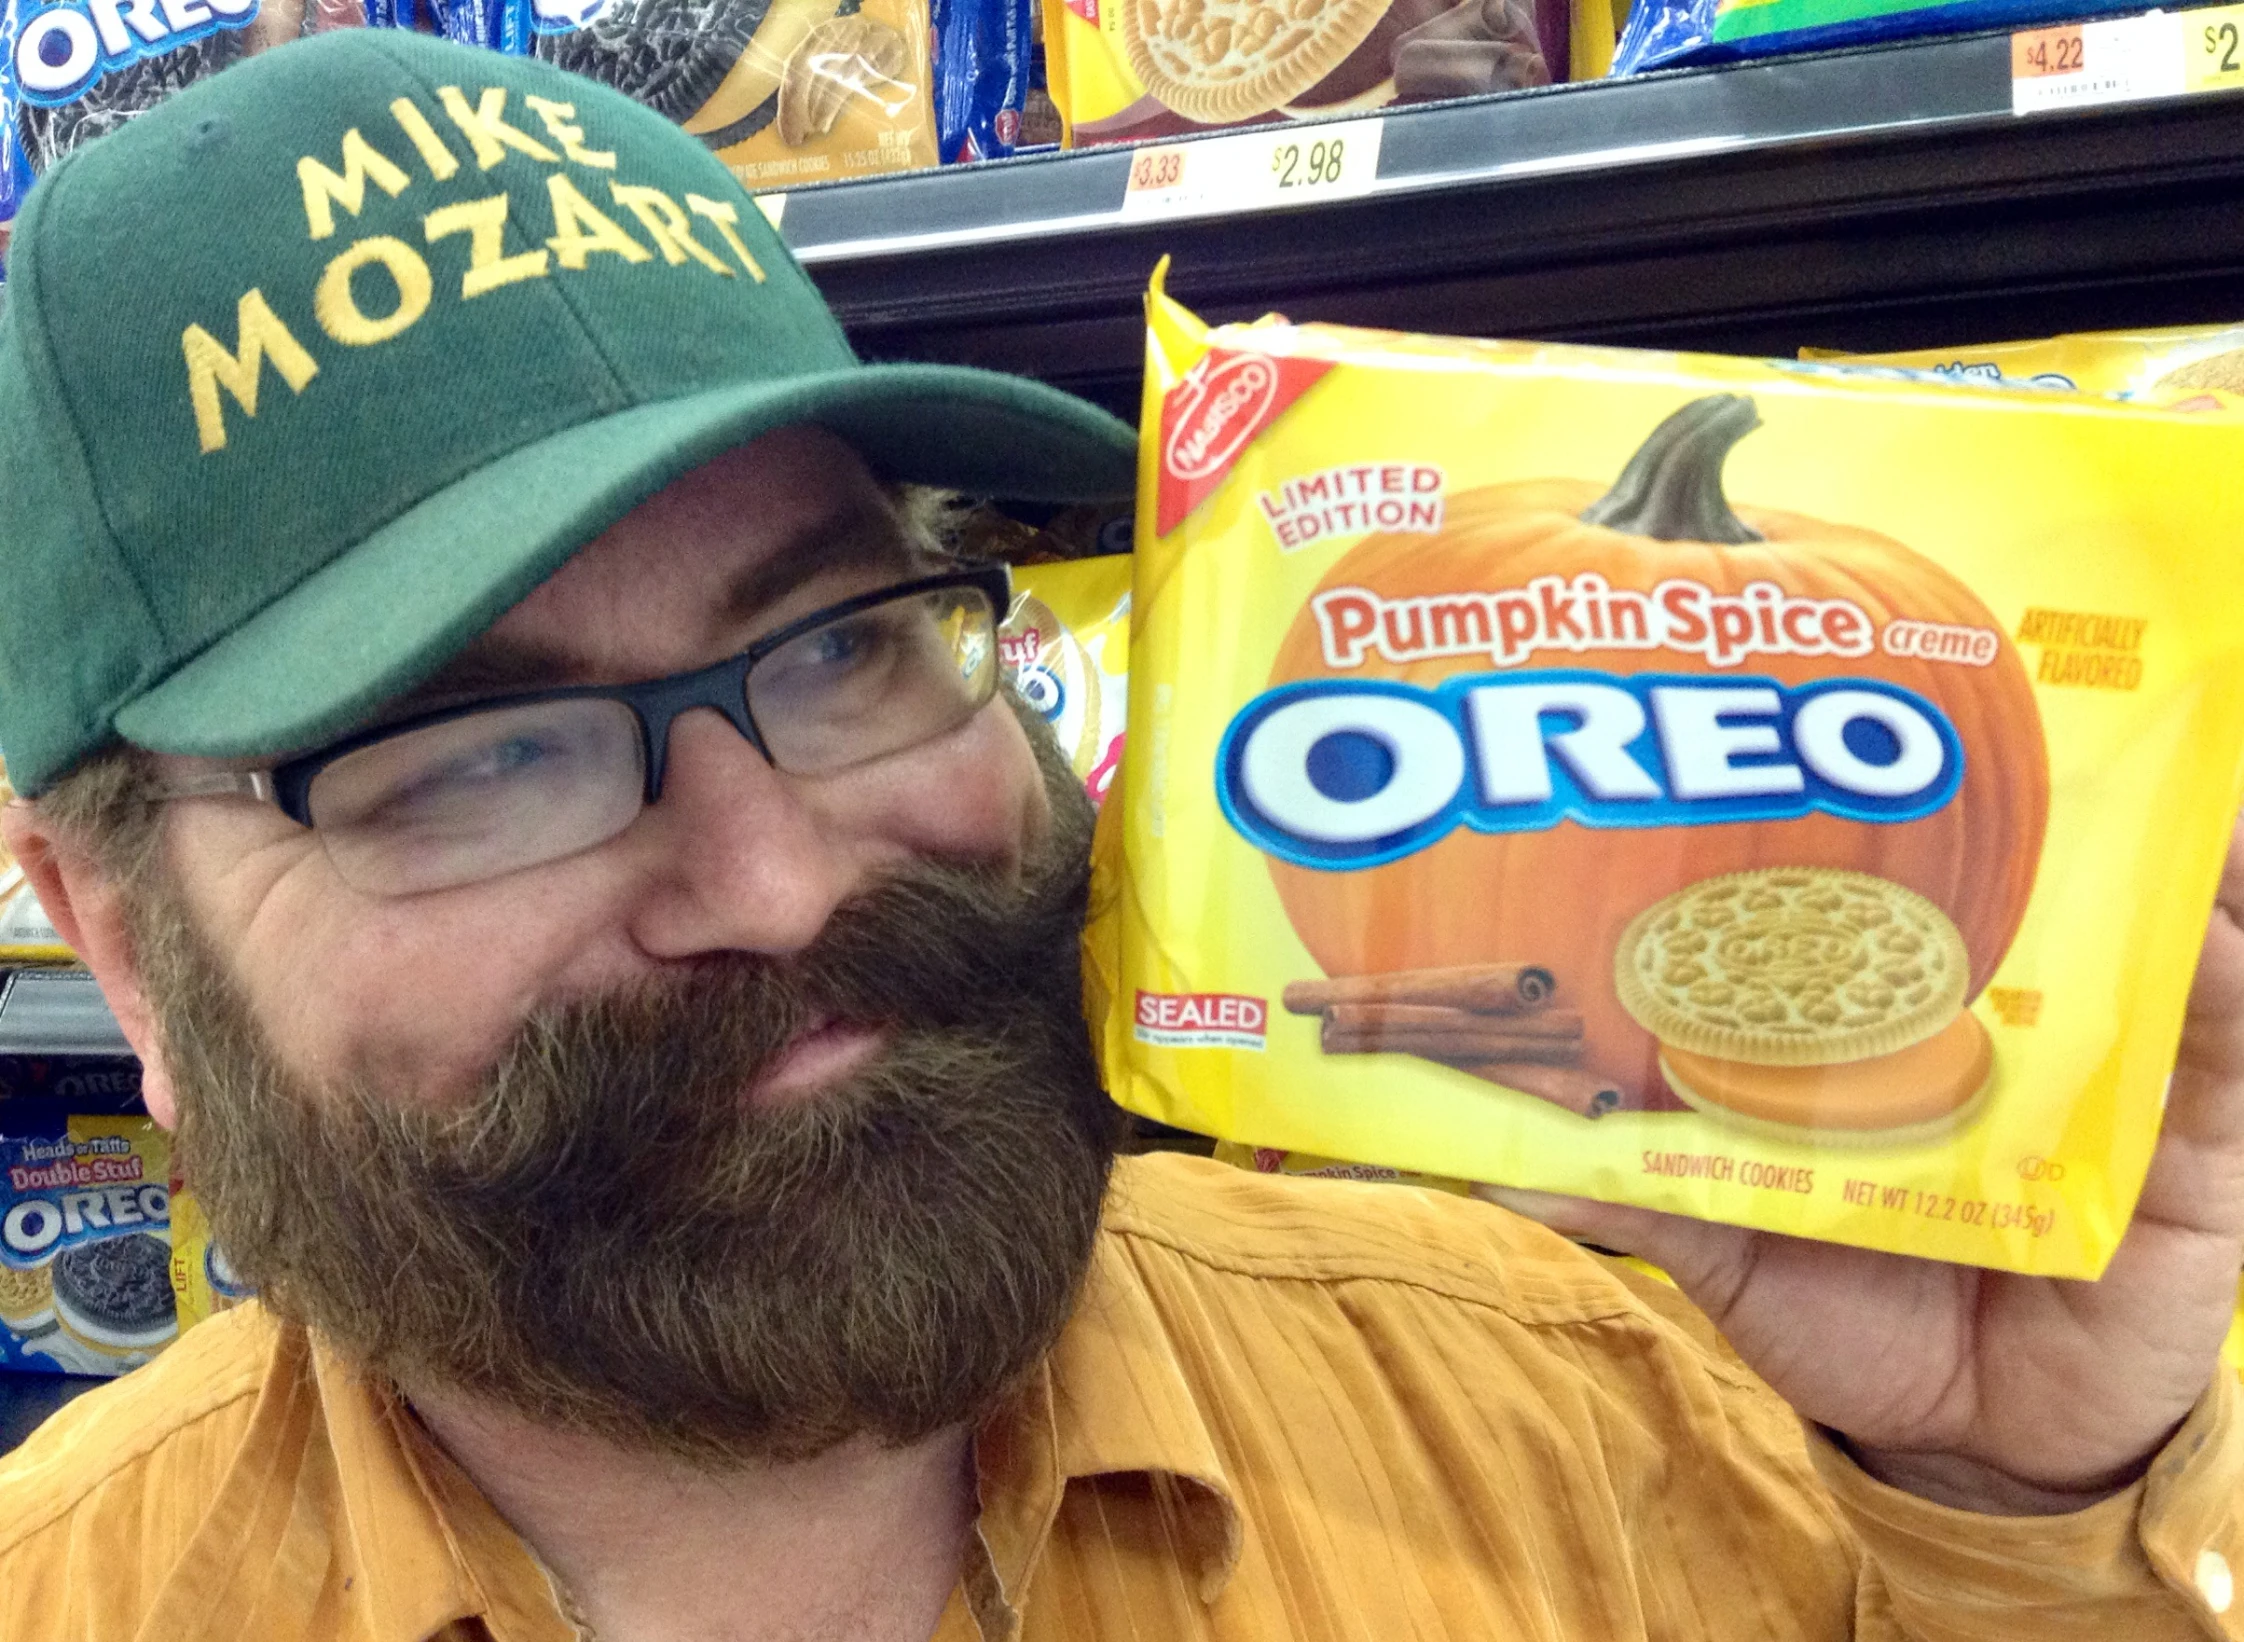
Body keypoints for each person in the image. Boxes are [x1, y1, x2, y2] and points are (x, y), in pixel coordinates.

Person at [1, 27, 2240, 1642]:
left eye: (845, 642)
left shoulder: (1580, 1415)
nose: (780, 877)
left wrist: (2014, 1497)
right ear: (113, 933)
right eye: (476, 761)